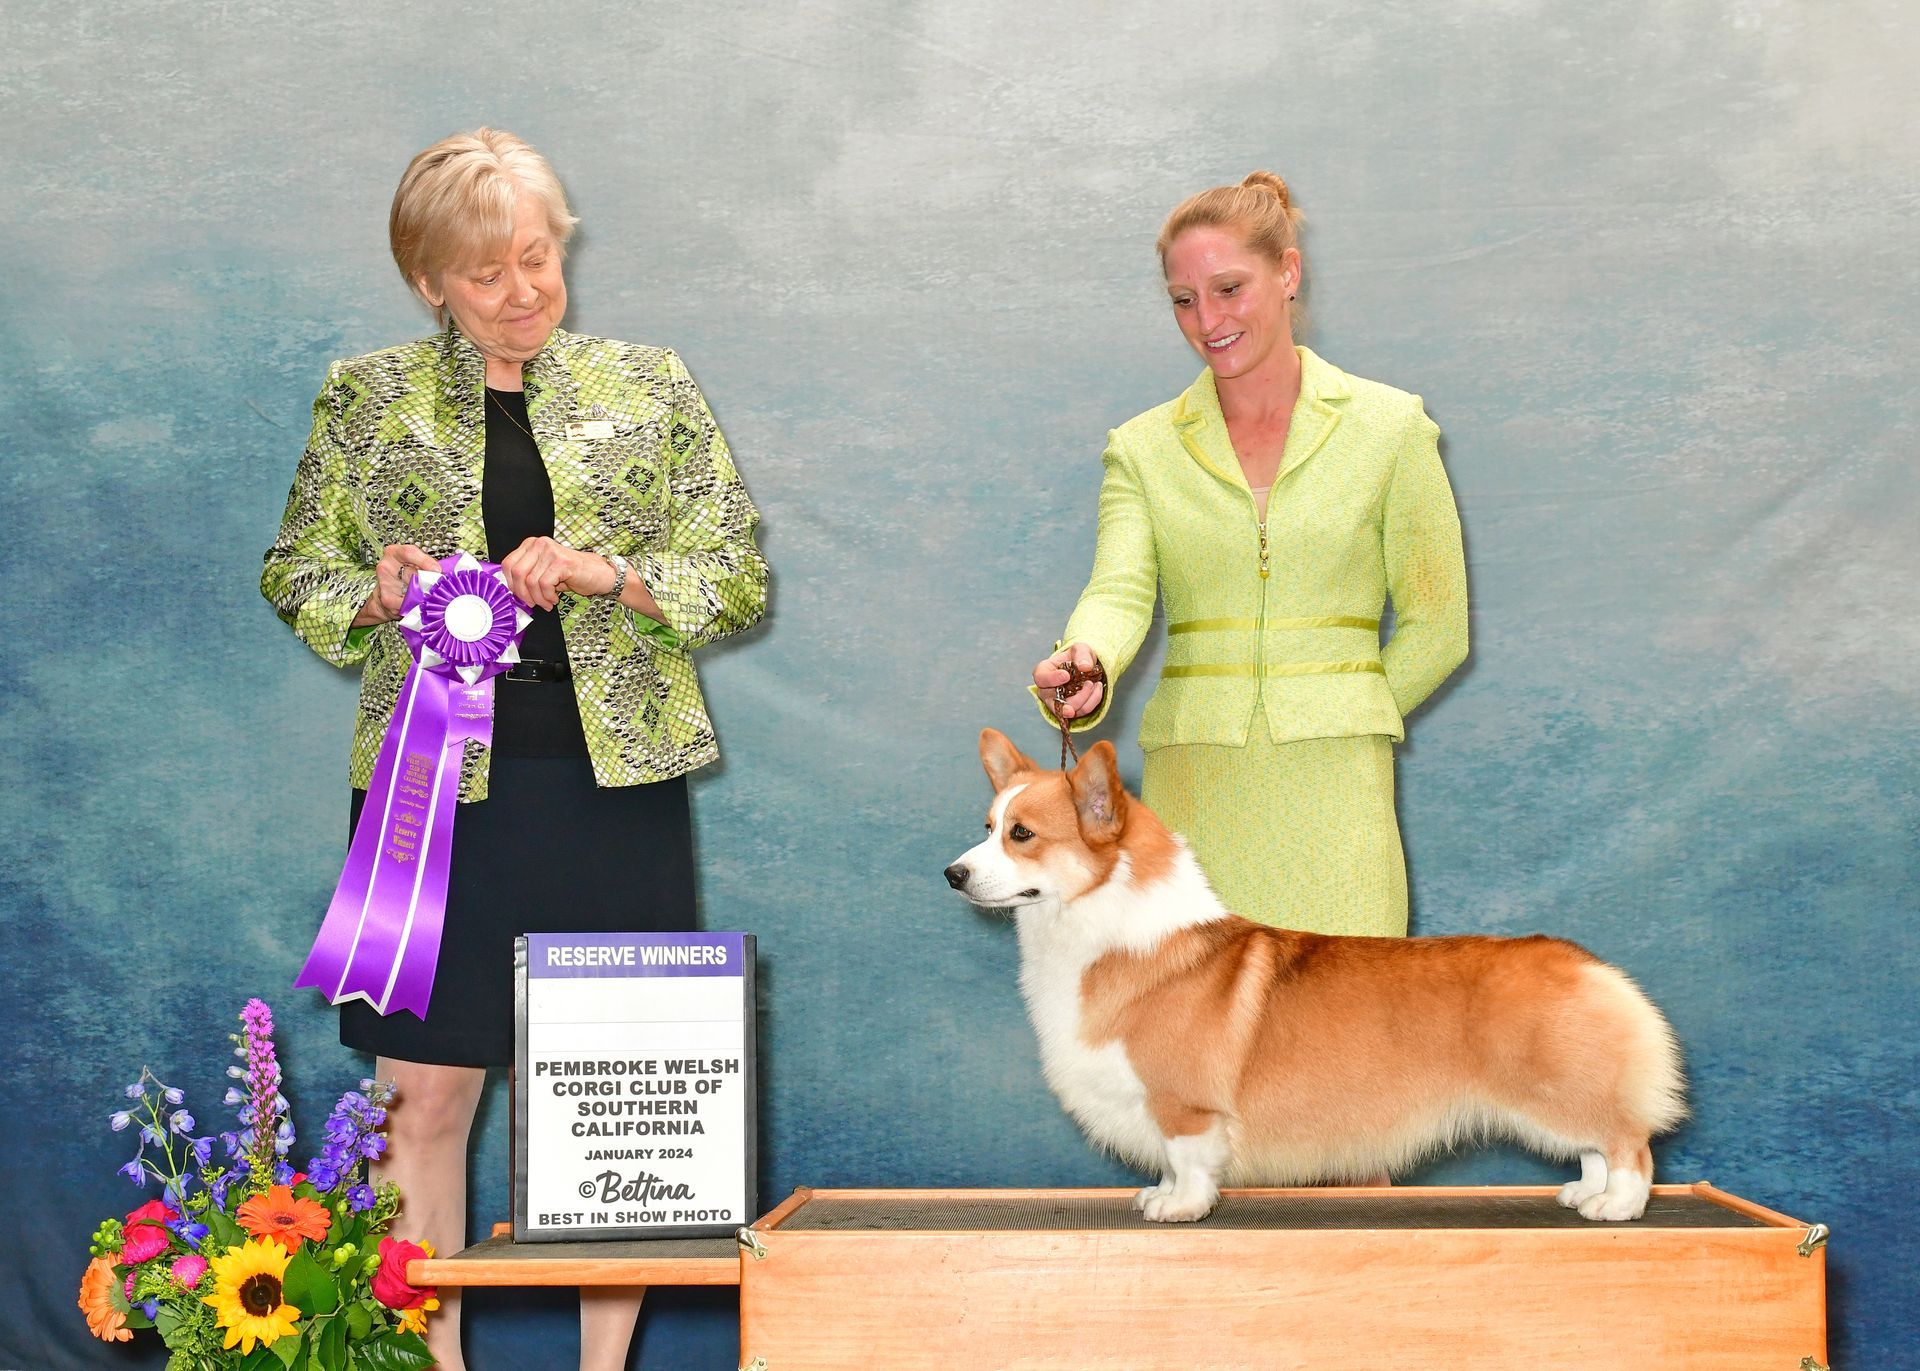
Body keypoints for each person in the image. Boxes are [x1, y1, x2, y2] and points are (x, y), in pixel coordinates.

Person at [261, 128, 767, 1371]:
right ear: (430, 281)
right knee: (421, 1098)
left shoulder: (652, 384)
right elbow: (295, 568)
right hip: (433, 799)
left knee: (612, 1110)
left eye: (539, 257)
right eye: (487, 274)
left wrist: (615, 576)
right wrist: (375, 596)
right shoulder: (363, 397)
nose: (524, 290)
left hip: (613, 784)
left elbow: (736, 575)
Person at [1034, 171, 1466, 937]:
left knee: (1348, 1042)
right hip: (1194, 803)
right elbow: (1119, 592)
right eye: (1184, 299)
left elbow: (1439, 626)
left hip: (1339, 804)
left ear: (1288, 273)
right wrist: (1086, 657)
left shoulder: (1392, 429)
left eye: (1229, 288)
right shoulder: (1140, 449)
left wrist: (1343, 715)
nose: (1208, 319)